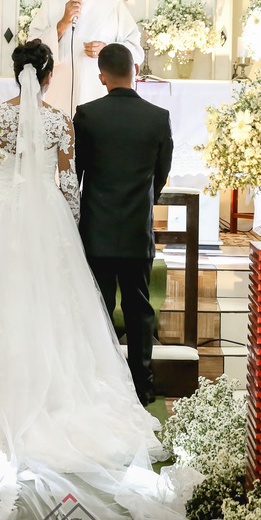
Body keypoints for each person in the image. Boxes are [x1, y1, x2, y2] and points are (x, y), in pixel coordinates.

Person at [0, 41, 209, 520]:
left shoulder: (7, 117)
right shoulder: (71, 120)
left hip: (1, 210)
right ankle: (128, 379)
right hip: (81, 219)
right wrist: (60, 222)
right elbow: (74, 179)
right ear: (51, 71)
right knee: (90, 306)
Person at [74, 44, 173, 406]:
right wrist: (143, 203)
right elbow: (160, 176)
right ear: (135, 69)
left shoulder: (87, 115)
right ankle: (143, 384)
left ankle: (99, 379)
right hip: (135, 229)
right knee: (139, 308)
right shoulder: (158, 117)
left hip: (96, 230)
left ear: (102, 77)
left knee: (97, 306)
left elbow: (77, 173)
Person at [28, 0, 144, 116]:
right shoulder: (51, 2)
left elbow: (135, 48)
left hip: (99, 92)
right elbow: (32, 48)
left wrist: (107, 50)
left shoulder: (112, 3)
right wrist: (63, 23)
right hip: (59, 91)